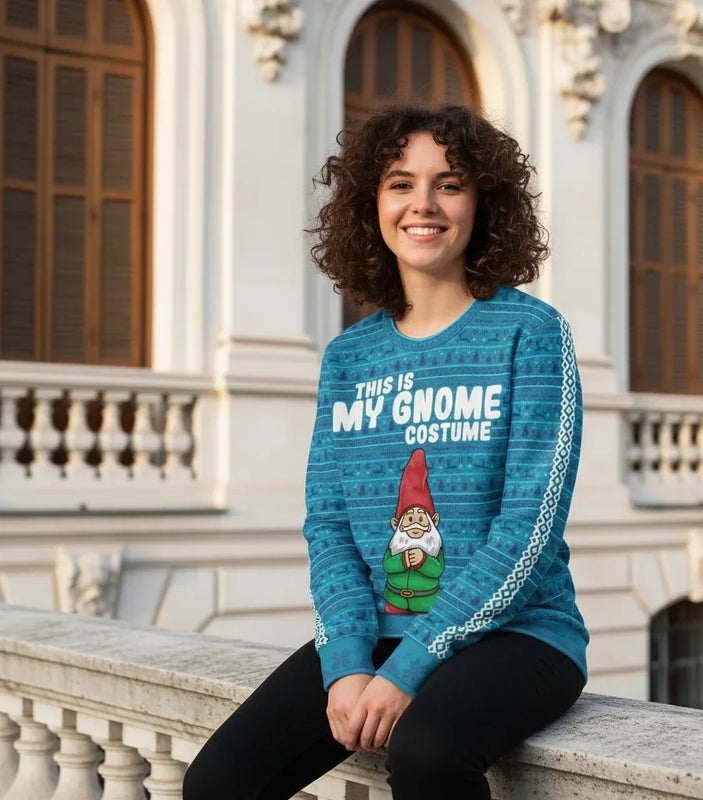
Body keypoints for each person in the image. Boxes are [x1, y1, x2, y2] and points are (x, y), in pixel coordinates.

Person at [182, 104, 589, 800]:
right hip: (374, 631)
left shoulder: (532, 333)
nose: (423, 204)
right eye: (400, 183)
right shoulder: (349, 357)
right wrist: (344, 662)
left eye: (449, 183)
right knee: (219, 782)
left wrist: (409, 668)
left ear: (482, 202)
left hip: (522, 634)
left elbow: (527, 530)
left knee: (429, 753)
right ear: (371, 204)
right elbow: (330, 522)